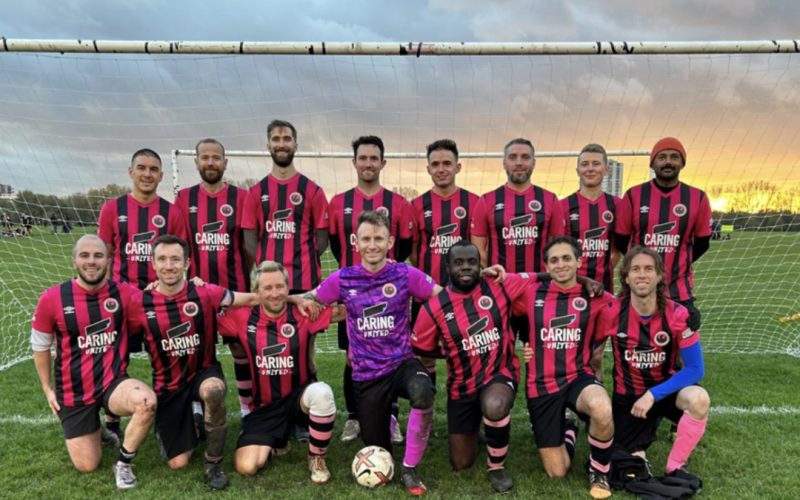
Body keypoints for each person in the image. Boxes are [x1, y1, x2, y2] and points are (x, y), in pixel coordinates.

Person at [305, 210, 437, 496]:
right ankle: (387, 421)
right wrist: (275, 297)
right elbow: (313, 299)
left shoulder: (404, 274)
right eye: (366, 239)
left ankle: (410, 469)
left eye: (379, 238)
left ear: (390, 241)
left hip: (402, 362)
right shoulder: (343, 278)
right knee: (377, 448)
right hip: (366, 375)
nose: (373, 245)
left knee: (423, 389)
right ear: (355, 242)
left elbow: (441, 296)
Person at [127, 235, 256, 489]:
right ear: (153, 265)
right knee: (178, 463)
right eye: (162, 259)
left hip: (202, 372)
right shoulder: (141, 302)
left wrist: (295, 299)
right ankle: (193, 426)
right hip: (168, 386)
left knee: (214, 390)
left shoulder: (205, 292)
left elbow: (249, 299)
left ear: (187, 263)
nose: (169, 265)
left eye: (175, 259)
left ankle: (213, 462)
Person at [31, 235, 156, 490]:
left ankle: (123, 463)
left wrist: (183, 285)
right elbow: (40, 346)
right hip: (74, 390)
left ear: (108, 261)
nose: (91, 261)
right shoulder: (52, 298)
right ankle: (99, 431)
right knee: (87, 465)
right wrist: (47, 389)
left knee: (147, 402)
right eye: (85, 255)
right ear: (74, 260)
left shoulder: (123, 293)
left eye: (98, 256)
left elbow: (158, 300)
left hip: (113, 383)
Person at [411, 240, 529, 493]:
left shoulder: (499, 286)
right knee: (461, 463)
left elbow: (544, 278)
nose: (466, 267)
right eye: (459, 262)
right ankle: (476, 428)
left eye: (472, 262)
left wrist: (585, 281)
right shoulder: (434, 307)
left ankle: (496, 466)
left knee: (495, 405)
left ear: (480, 265)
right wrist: (453, 351)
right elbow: (421, 346)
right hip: (461, 386)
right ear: (448, 267)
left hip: (500, 373)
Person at [217, 261, 345, 484]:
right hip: (265, 409)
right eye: (267, 288)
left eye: (280, 287)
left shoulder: (304, 313)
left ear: (288, 288)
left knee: (322, 393)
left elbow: (343, 311)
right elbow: (203, 311)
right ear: (256, 292)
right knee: (246, 467)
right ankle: (277, 442)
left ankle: (317, 458)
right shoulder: (241, 317)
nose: (275, 293)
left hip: (300, 401)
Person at [242, 121, 330, 442]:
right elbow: (251, 241)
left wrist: (297, 262)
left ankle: (304, 416)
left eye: (287, 138)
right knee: (271, 352)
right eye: (276, 139)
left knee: (305, 351)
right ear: (268, 145)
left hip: (305, 284)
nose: (281, 143)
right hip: (271, 288)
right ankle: (266, 412)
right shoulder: (256, 192)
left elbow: (320, 240)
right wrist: (269, 271)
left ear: (295, 144)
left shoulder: (313, 191)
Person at [327, 136, 415, 443]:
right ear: (354, 163)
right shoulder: (338, 202)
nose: (367, 163)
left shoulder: (399, 204)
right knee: (353, 358)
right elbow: (338, 246)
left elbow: (403, 246)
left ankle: (392, 417)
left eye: (373, 158)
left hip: (390, 298)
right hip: (353, 298)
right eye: (362, 158)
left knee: (393, 357)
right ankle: (354, 417)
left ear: (382, 163)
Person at [97, 148, 188, 440]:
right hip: (122, 300)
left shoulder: (171, 212)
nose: (147, 174)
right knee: (115, 358)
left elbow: (180, 256)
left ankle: (168, 415)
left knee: (165, 358)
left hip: (159, 301)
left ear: (161, 175)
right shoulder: (113, 209)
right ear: (131, 172)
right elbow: (103, 255)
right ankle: (111, 420)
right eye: (142, 168)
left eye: (153, 169)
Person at [516, 236, 614, 499]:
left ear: (579, 261)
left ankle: (599, 470)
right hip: (541, 384)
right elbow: (495, 290)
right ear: (546, 266)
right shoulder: (531, 291)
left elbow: (635, 306)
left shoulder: (595, 296)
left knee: (602, 408)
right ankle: (569, 430)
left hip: (577, 376)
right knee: (557, 472)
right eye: (554, 260)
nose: (561, 265)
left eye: (567, 258)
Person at [605, 246, 709, 479]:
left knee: (699, 399)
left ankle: (675, 465)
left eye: (649, 269)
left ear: (660, 275)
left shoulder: (678, 314)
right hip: (629, 397)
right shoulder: (612, 312)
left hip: (663, 393)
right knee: (632, 464)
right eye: (636, 269)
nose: (642, 274)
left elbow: (695, 369)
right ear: (626, 277)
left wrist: (653, 394)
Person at [175, 138, 252, 433]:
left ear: (225, 162)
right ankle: (196, 410)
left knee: (240, 351)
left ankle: (247, 410)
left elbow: (246, 246)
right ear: (196, 162)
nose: (210, 162)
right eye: (204, 158)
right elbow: (182, 246)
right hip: (195, 293)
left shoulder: (241, 197)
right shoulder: (184, 199)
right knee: (194, 350)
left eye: (216, 158)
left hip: (234, 291)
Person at [471, 138, 565, 343]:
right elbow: (478, 250)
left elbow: (558, 251)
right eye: (512, 157)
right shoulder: (487, 200)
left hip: (541, 292)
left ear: (534, 162)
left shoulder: (550, 200)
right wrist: (502, 277)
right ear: (504, 163)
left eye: (525, 157)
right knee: (499, 356)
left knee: (543, 357)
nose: (519, 162)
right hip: (499, 291)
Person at [614, 137, 712, 331]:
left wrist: (678, 262)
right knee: (638, 351)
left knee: (679, 355)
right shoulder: (634, 195)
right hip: (638, 290)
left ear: (682, 162)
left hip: (679, 291)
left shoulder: (697, 197)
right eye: (662, 157)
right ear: (653, 163)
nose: (668, 162)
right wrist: (642, 266)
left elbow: (703, 242)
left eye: (674, 157)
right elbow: (621, 238)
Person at [410, 139, 479, 388]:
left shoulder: (474, 203)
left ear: (457, 167)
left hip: (465, 296)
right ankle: (425, 419)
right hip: (427, 297)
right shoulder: (417, 206)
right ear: (428, 169)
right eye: (435, 164)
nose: (441, 169)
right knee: (425, 357)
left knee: (467, 355)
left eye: (447, 163)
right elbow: (416, 253)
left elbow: (479, 250)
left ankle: (465, 413)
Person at [561, 144, 621, 293]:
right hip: (571, 288)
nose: (590, 169)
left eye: (596, 164)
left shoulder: (617, 205)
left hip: (605, 288)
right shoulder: (563, 206)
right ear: (578, 171)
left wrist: (606, 267)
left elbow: (618, 247)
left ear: (606, 170)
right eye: (585, 164)